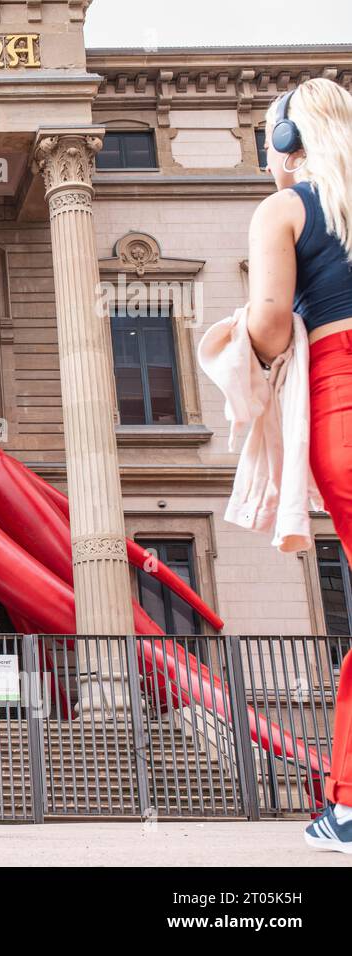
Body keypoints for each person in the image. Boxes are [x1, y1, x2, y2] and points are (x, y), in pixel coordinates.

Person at [247, 77, 352, 853]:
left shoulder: (287, 209)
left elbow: (273, 325)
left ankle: (347, 807)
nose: (265, 159)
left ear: (289, 143)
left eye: (266, 142)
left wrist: (239, 349)